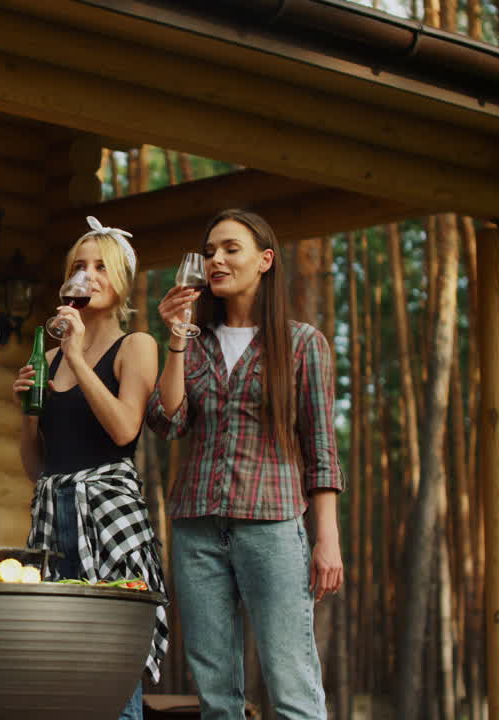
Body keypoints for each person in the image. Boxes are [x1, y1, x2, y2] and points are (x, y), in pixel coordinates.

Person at [146, 209, 344, 720]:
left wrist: (327, 539)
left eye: (231, 248)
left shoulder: (302, 344)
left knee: (292, 683)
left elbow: (322, 449)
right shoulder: (195, 343)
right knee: (216, 694)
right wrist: (175, 337)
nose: (216, 259)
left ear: (265, 260)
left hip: (273, 529)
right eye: (210, 251)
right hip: (195, 530)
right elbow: (167, 422)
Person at [14, 216, 168, 720]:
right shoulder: (50, 355)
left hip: (108, 518)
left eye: (102, 266)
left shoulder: (136, 345)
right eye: (79, 266)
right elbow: (36, 467)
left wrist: (77, 359)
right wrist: (28, 411)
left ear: (122, 280)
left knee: (111, 667)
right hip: (52, 519)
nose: (88, 275)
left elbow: (125, 429)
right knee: (55, 667)